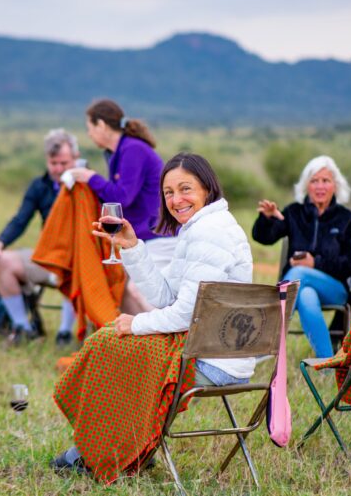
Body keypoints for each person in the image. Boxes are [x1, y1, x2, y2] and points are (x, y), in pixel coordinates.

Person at [50, 153, 253, 481]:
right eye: (169, 192)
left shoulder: (210, 232)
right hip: (210, 346)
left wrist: (136, 323)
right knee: (114, 342)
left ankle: (101, 453)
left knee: (113, 343)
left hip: (215, 358)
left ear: (207, 189)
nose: (176, 199)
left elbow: (185, 314)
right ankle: (116, 449)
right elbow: (165, 297)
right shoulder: (196, 229)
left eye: (185, 188)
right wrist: (132, 247)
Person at [66, 99, 177, 311]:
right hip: (143, 237)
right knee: (120, 289)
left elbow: (123, 198)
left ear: (101, 125)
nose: (89, 134)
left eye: (90, 128)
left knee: (144, 292)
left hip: (157, 238)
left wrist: (91, 178)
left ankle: (174, 337)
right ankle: (143, 340)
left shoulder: (133, 149)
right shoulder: (121, 150)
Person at [251, 155, 351, 358]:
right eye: (314, 181)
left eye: (325, 181)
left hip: (335, 289)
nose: (320, 186)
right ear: (306, 186)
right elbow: (263, 238)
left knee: (299, 272)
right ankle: (327, 365)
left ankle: (269, 335)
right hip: (299, 287)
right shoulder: (294, 213)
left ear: (335, 185)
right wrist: (267, 219)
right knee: (306, 295)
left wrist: (315, 263)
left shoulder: (346, 218)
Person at [0, 129, 80, 346]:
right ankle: (23, 328)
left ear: (76, 158)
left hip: (78, 259)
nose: (59, 169)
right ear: (47, 160)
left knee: (78, 264)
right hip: (48, 256)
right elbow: (20, 220)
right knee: (1, 261)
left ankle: (65, 333)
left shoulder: (89, 183)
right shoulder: (39, 185)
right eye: (54, 163)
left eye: (64, 163)